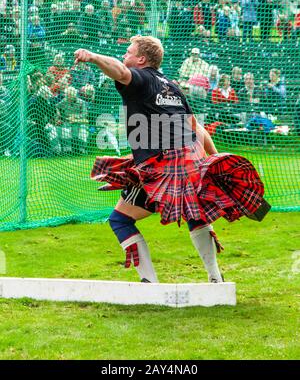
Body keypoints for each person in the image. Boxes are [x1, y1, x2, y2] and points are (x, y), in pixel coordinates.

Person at [74, 36, 268, 284]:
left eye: (129, 52)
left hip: (163, 164)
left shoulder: (141, 79)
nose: (125, 55)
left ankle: (149, 284)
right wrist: (213, 159)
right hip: (190, 159)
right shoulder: (172, 87)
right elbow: (197, 129)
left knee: (120, 219)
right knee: (194, 212)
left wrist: (92, 57)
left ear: (141, 59)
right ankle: (215, 279)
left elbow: (121, 71)